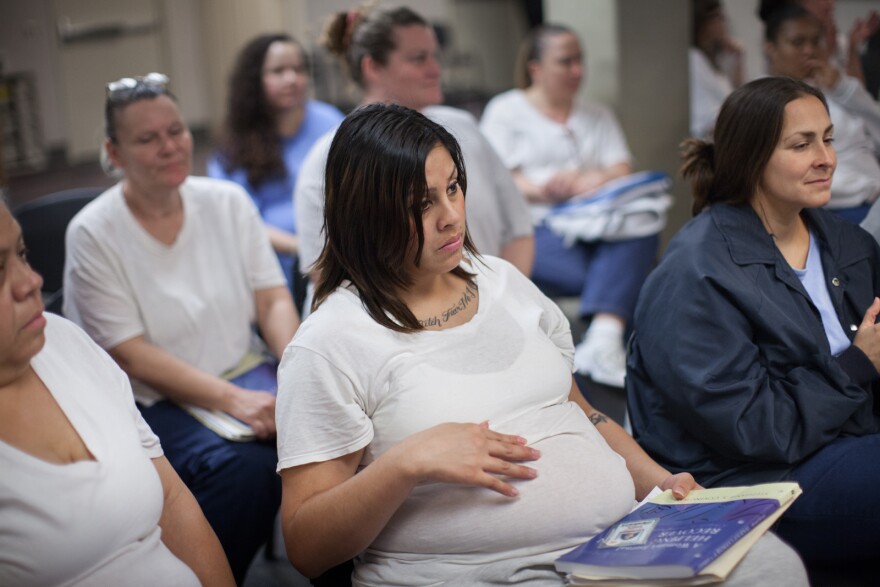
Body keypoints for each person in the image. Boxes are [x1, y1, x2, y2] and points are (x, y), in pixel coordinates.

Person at [275, 102, 808, 587]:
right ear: (365, 214)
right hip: (480, 574)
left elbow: (580, 411)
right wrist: (405, 463)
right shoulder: (330, 342)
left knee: (772, 567)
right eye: (422, 203)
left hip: (608, 549)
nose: (451, 215)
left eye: (454, 187)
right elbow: (306, 545)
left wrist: (663, 487)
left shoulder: (502, 281)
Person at [627, 77, 880, 571]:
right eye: (801, 145)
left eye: (828, 139)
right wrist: (856, 366)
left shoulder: (846, 244)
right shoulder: (697, 272)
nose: (825, 158)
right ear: (752, 158)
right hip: (748, 479)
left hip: (844, 444)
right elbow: (752, 429)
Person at [62, 73, 298, 584]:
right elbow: (130, 354)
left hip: (246, 371)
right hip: (152, 401)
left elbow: (272, 297)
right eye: (148, 139)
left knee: (337, 434)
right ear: (114, 152)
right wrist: (234, 401)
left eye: (176, 131)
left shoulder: (227, 202)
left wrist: (298, 367)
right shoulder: (93, 233)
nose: (170, 147)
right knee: (247, 473)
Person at [0, 199, 235, 586]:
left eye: (21, 254)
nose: (31, 281)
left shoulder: (63, 340)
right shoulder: (97, 232)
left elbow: (173, 502)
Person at [295, 5, 534, 299]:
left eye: (435, 56)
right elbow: (324, 272)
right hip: (388, 323)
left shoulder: (464, 128)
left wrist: (496, 303)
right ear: (372, 67)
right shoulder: (329, 157)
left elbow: (519, 229)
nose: (435, 69)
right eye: (419, 58)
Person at [479, 25, 656, 388]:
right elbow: (496, 176)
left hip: (596, 225)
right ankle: (607, 336)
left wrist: (591, 180)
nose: (577, 71)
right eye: (565, 62)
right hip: (537, 228)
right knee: (633, 273)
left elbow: (620, 167)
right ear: (536, 68)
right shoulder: (506, 111)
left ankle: (602, 341)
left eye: (580, 61)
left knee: (644, 220)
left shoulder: (596, 114)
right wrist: (544, 188)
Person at [208, 33, 344, 301]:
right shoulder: (234, 144)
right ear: (254, 81)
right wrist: (303, 247)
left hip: (337, 246)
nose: (291, 79)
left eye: (298, 69)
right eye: (278, 71)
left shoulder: (329, 120)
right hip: (275, 263)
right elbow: (239, 219)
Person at [760, 3, 880, 224]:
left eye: (815, 41)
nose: (809, 50)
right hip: (837, 211)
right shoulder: (764, 103)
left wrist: (844, 88)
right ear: (772, 49)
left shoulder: (838, 86)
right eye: (797, 43)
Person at [690, 0, 744, 139]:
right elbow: (706, 120)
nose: (724, 22)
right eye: (718, 17)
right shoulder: (694, 59)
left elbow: (742, 99)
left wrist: (738, 61)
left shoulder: (714, 61)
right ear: (703, 23)